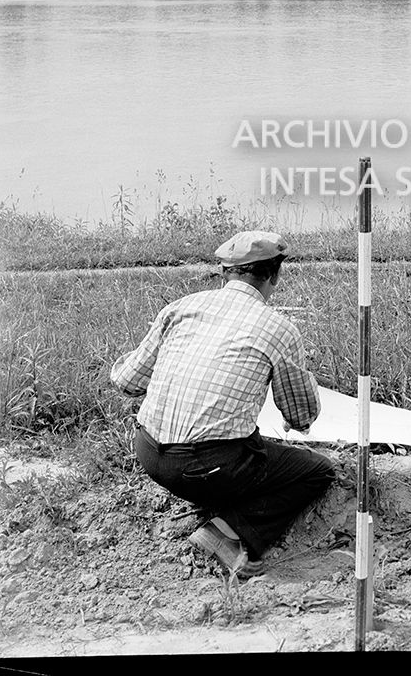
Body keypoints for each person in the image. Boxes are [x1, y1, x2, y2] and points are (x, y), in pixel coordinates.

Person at [110, 230, 336, 577]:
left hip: (148, 453)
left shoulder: (181, 308)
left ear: (223, 272)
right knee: (315, 471)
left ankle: (214, 497)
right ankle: (228, 533)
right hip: (207, 467)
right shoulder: (279, 329)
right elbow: (301, 415)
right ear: (275, 275)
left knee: (240, 448)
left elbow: (127, 382)